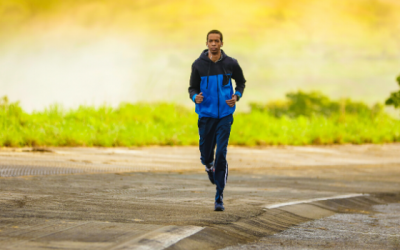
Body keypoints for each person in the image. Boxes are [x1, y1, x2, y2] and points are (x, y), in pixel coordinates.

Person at [188, 30, 246, 211]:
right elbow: (192, 88)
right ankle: (208, 165)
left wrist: (236, 96)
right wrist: (194, 97)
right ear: (206, 44)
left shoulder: (231, 63)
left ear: (222, 43)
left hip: (225, 116)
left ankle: (219, 196)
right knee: (206, 155)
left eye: (217, 41)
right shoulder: (198, 65)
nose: (213, 44)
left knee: (221, 152)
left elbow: (241, 83)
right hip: (206, 115)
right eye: (210, 41)